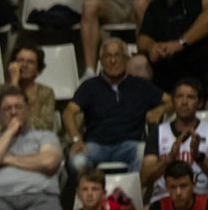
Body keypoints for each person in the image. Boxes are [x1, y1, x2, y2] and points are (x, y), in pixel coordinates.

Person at [62, 37, 165, 175]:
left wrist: (161, 109)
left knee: (144, 153)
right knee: (77, 161)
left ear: (126, 59)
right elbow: (68, 113)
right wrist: (76, 139)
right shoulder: (89, 86)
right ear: (101, 61)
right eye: (107, 56)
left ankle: (131, 188)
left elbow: (171, 100)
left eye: (117, 56)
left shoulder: (140, 85)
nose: (113, 60)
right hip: (96, 146)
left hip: (129, 145)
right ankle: (92, 188)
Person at [140, 78, 208, 203]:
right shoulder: (157, 133)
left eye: (190, 97)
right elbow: (144, 179)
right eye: (179, 97)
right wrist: (169, 159)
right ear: (173, 102)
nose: (184, 102)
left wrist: (199, 157)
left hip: (201, 202)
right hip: (164, 201)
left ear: (200, 103)